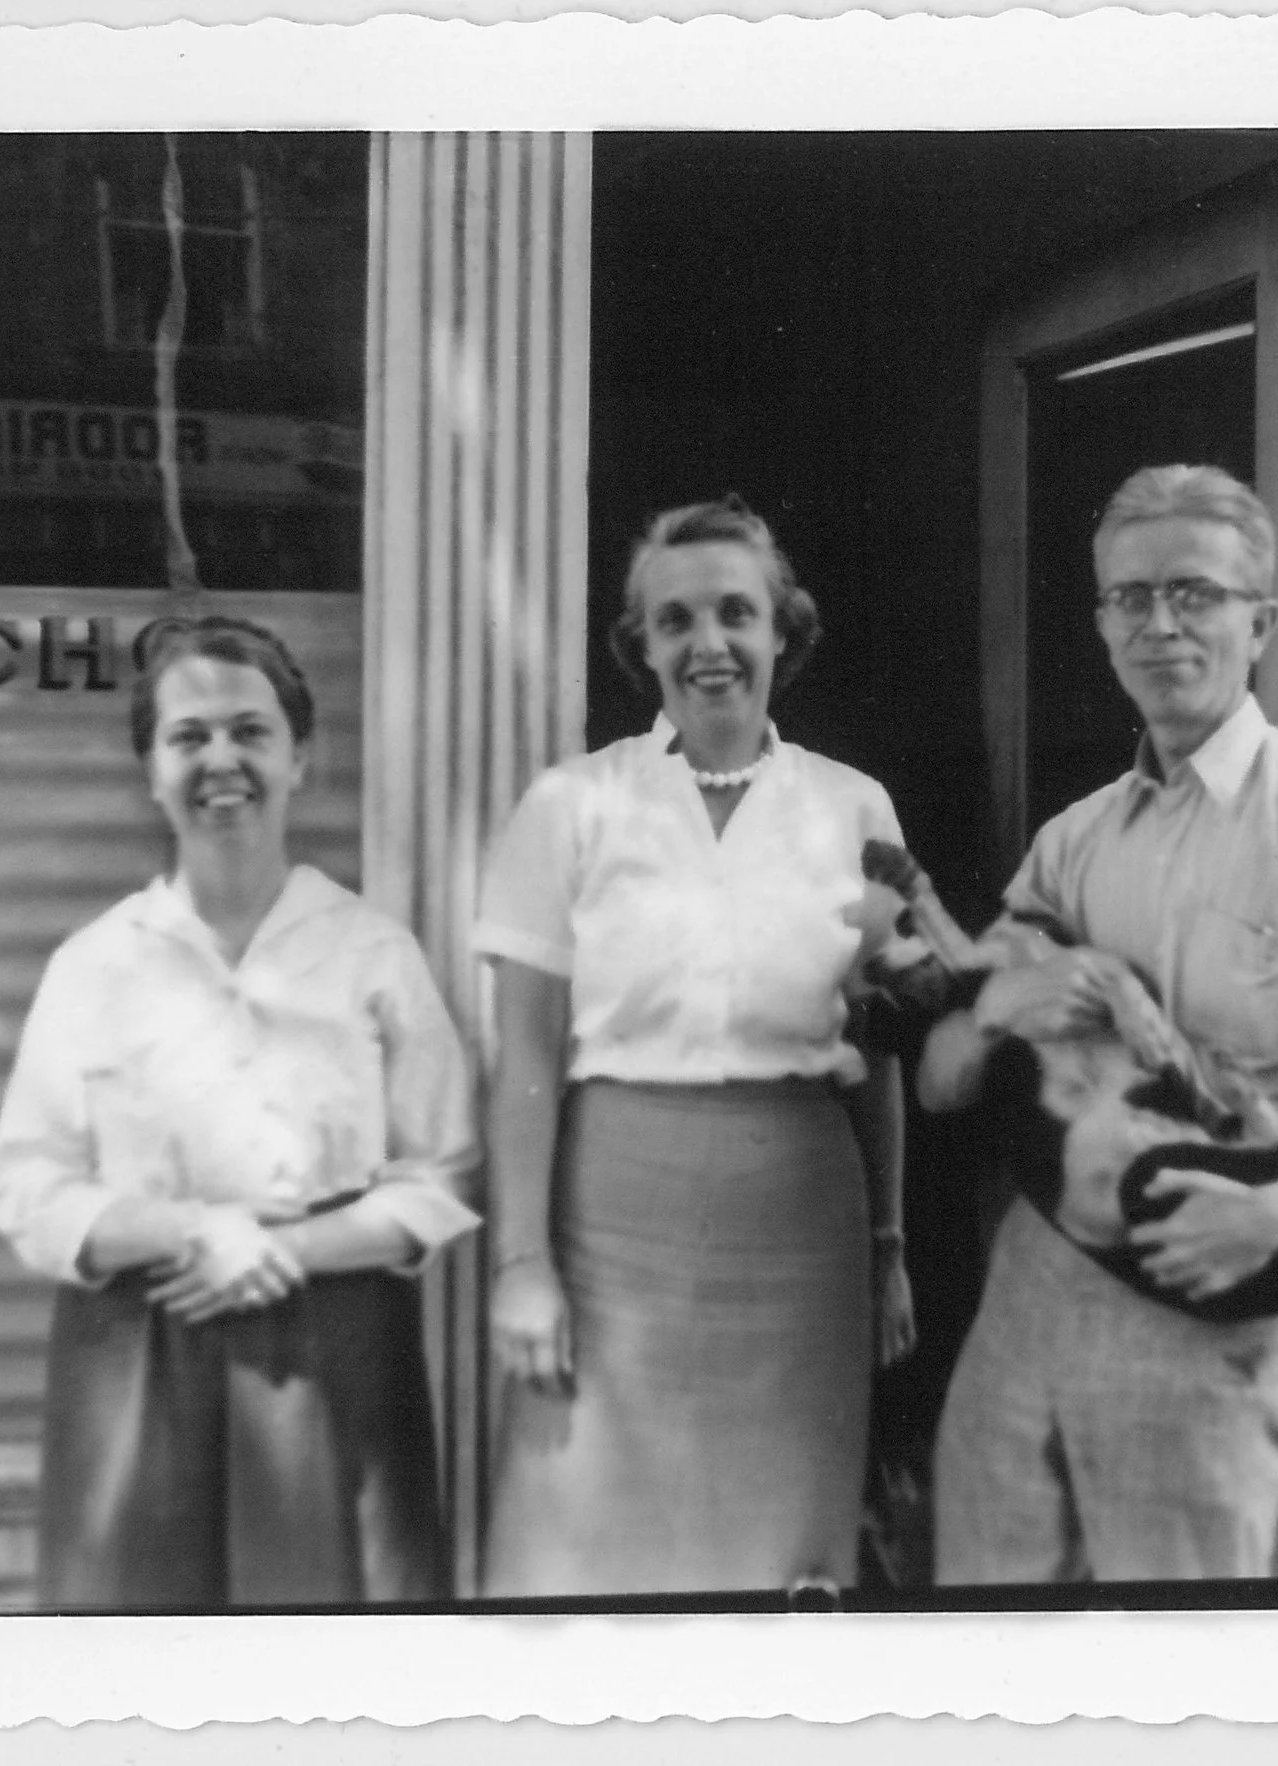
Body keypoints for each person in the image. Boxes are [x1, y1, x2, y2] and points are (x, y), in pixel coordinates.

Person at [919, 465, 1278, 1583]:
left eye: (1194, 592)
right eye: (1128, 597)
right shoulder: (1074, 841)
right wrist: (994, 1006)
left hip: (1210, 1308)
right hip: (1029, 1298)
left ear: (1259, 621)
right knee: (983, 1655)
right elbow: (943, 1082)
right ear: (1099, 621)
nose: (1159, 622)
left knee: (1181, 1675)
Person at [0, 616, 480, 1609]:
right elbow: (25, 1180)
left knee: (340, 1660)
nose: (221, 759)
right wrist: (193, 1226)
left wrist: (289, 1249)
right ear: (149, 769)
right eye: (188, 735)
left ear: (302, 756)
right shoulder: (96, 963)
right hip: (142, 1344)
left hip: (336, 1348)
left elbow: (444, 1170)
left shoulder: (372, 951)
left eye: (250, 731)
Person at [474, 497, 919, 1597]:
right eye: (675, 621)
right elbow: (525, 1049)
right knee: (580, 1539)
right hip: (609, 1209)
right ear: (642, 648)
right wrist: (523, 1262)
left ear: (783, 632)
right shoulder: (573, 803)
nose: (708, 644)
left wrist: (888, 1243)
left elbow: (882, 1048)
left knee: (780, 1549)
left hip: (800, 1222)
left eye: (735, 612)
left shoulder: (852, 807)